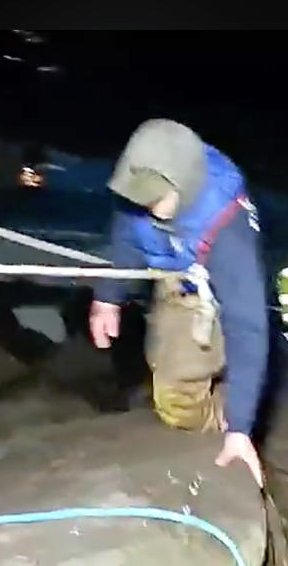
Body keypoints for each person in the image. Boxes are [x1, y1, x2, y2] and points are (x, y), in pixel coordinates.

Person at [88, 119, 268, 487]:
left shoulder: (230, 234)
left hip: (209, 295)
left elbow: (249, 326)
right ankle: (211, 393)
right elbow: (127, 233)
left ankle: (221, 420)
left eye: (154, 195)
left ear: (183, 184)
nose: (145, 202)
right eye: (140, 194)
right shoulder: (145, 198)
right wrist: (108, 297)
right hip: (171, 276)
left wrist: (240, 428)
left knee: (176, 400)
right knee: (163, 371)